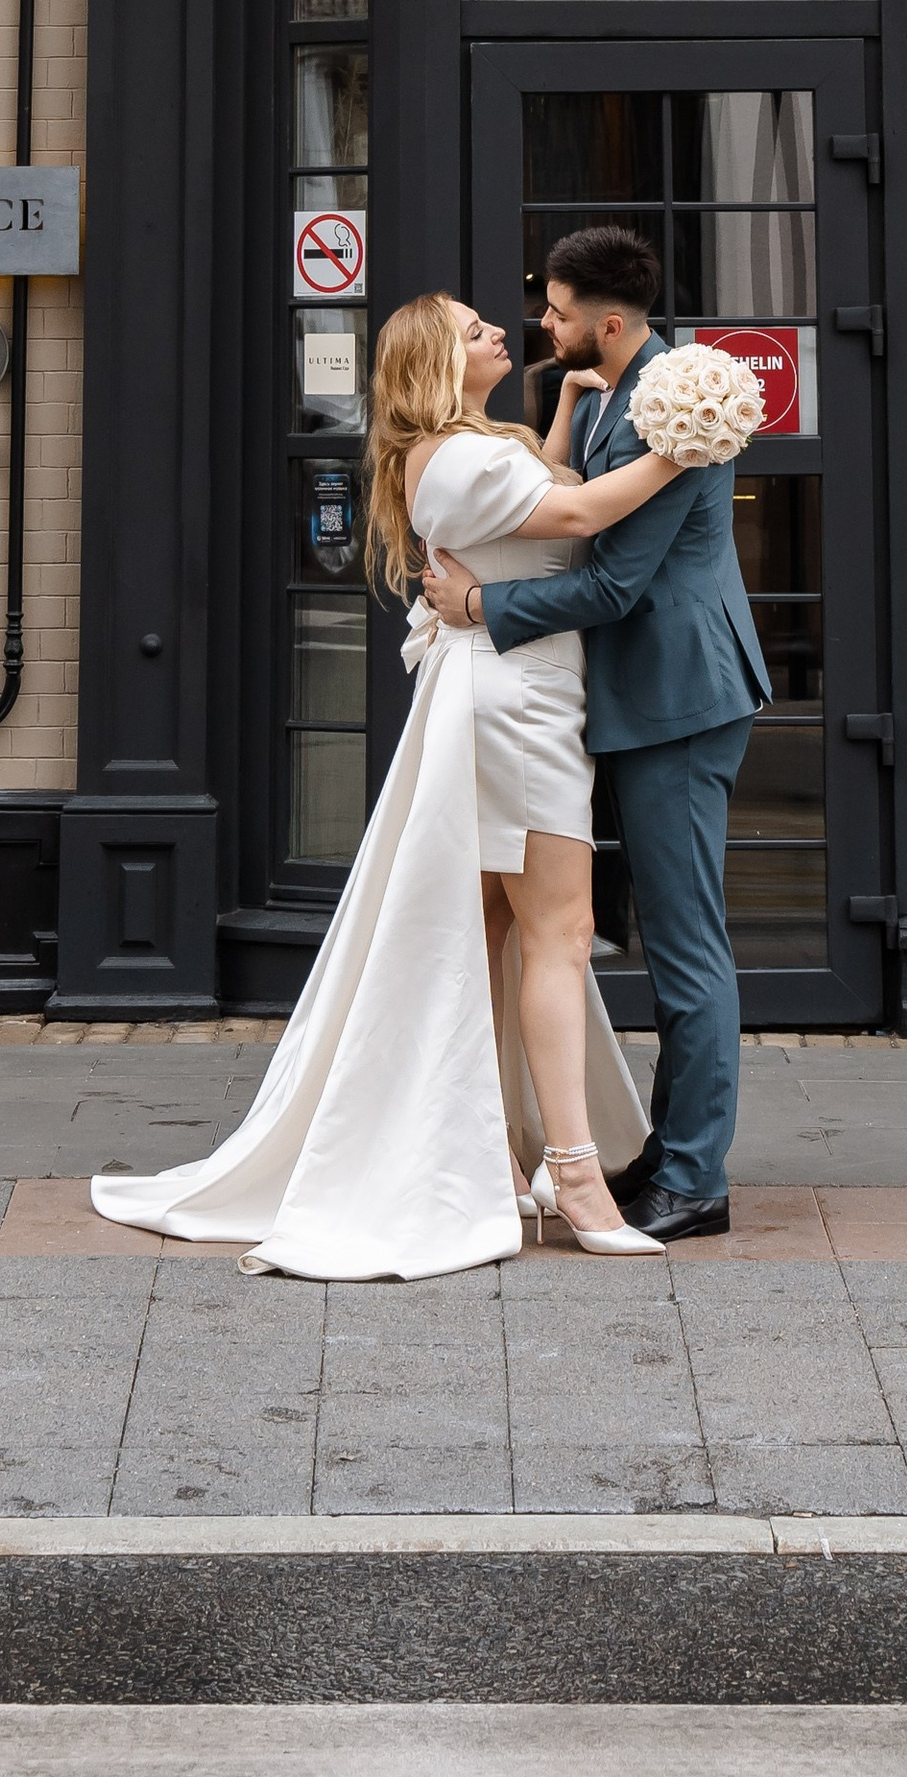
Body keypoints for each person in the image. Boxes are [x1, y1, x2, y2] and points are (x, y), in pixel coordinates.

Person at [88, 290, 696, 1277]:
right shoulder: (454, 460)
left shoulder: (468, 450)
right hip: (521, 712)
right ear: (433, 365)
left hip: (510, 698)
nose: (499, 332)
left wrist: (565, 410)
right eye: (474, 332)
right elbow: (580, 509)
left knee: (503, 937)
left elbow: (543, 487)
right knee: (560, 932)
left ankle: (503, 1158)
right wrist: (684, 446)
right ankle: (575, 1177)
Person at [422, 224, 771, 1244]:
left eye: (558, 311)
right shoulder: (617, 389)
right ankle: (667, 1155)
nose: (542, 322)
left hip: (678, 699)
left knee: (685, 943)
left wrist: (485, 608)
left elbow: (616, 583)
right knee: (668, 938)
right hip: (638, 701)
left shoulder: (675, 407)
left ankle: (695, 1178)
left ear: (606, 323)